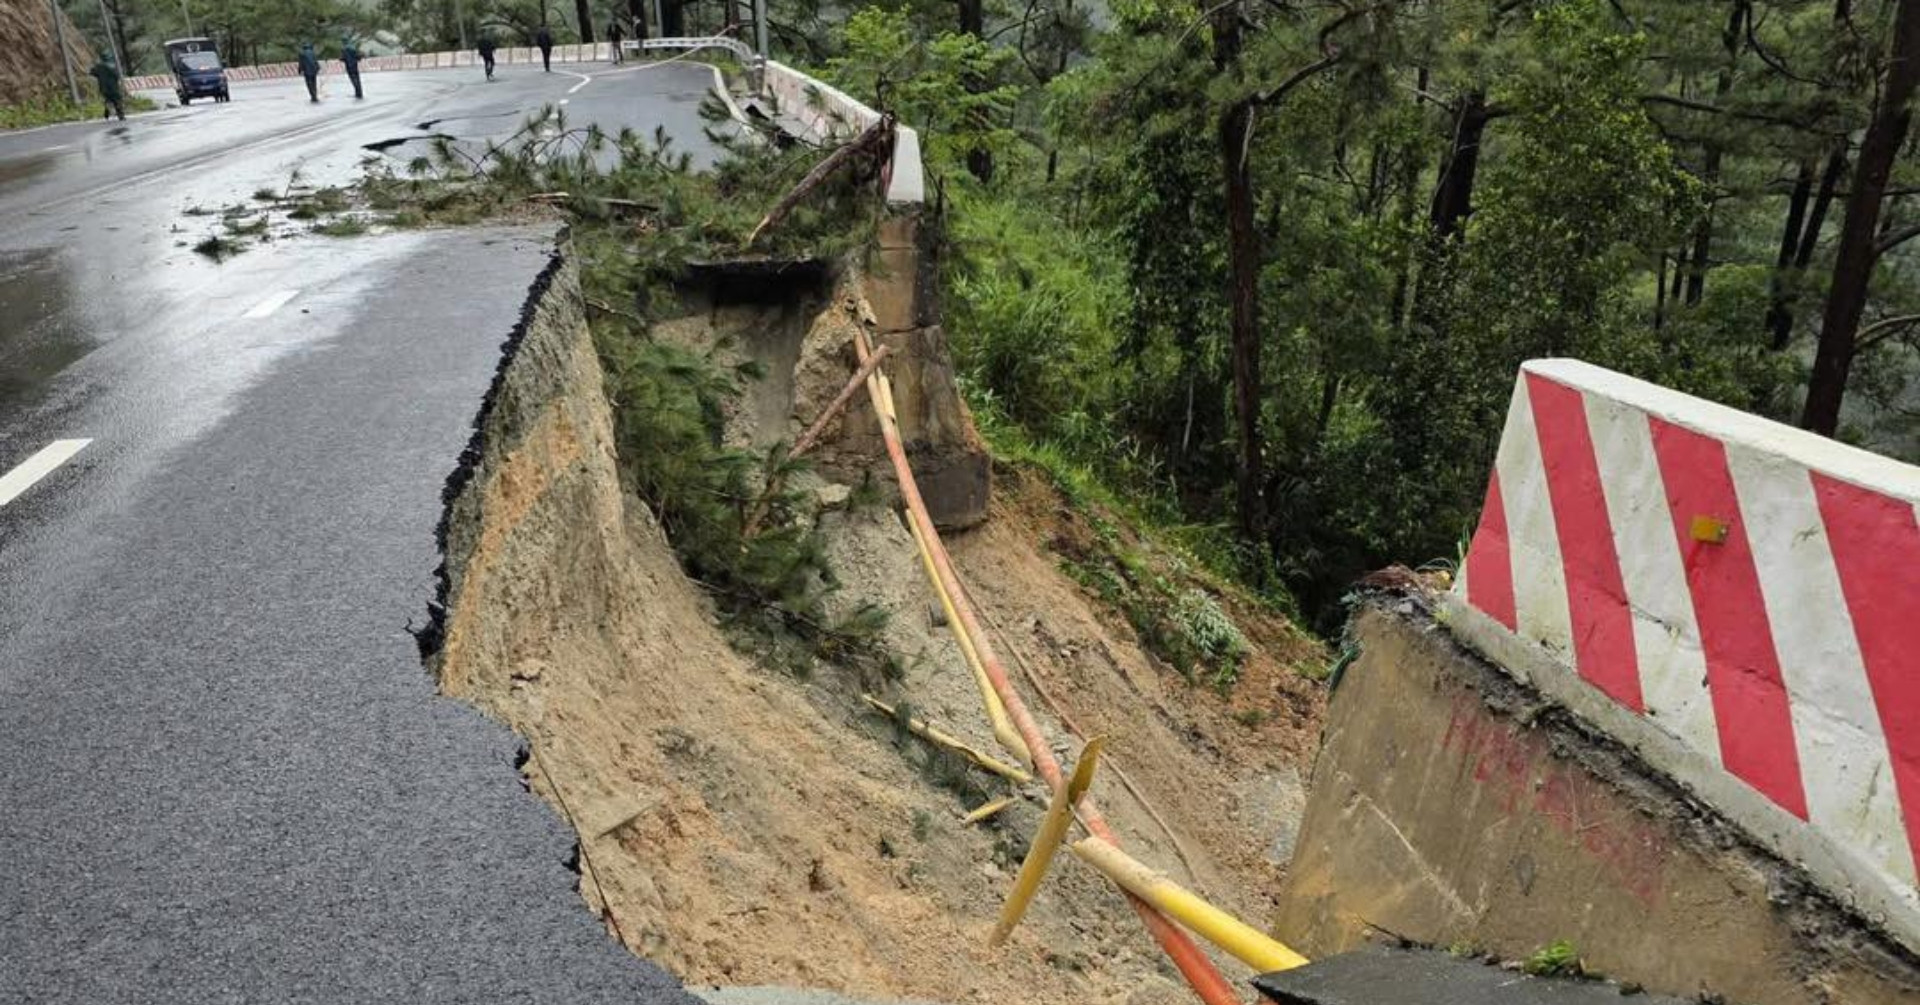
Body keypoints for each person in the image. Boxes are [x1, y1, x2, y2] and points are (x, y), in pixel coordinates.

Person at [89, 55, 125, 121]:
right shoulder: (112, 66)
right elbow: (116, 76)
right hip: (113, 87)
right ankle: (121, 115)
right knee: (117, 100)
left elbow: (92, 73)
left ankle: (107, 113)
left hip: (103, 87)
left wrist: (99, 75)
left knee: (108, 99)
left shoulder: (98, 66)